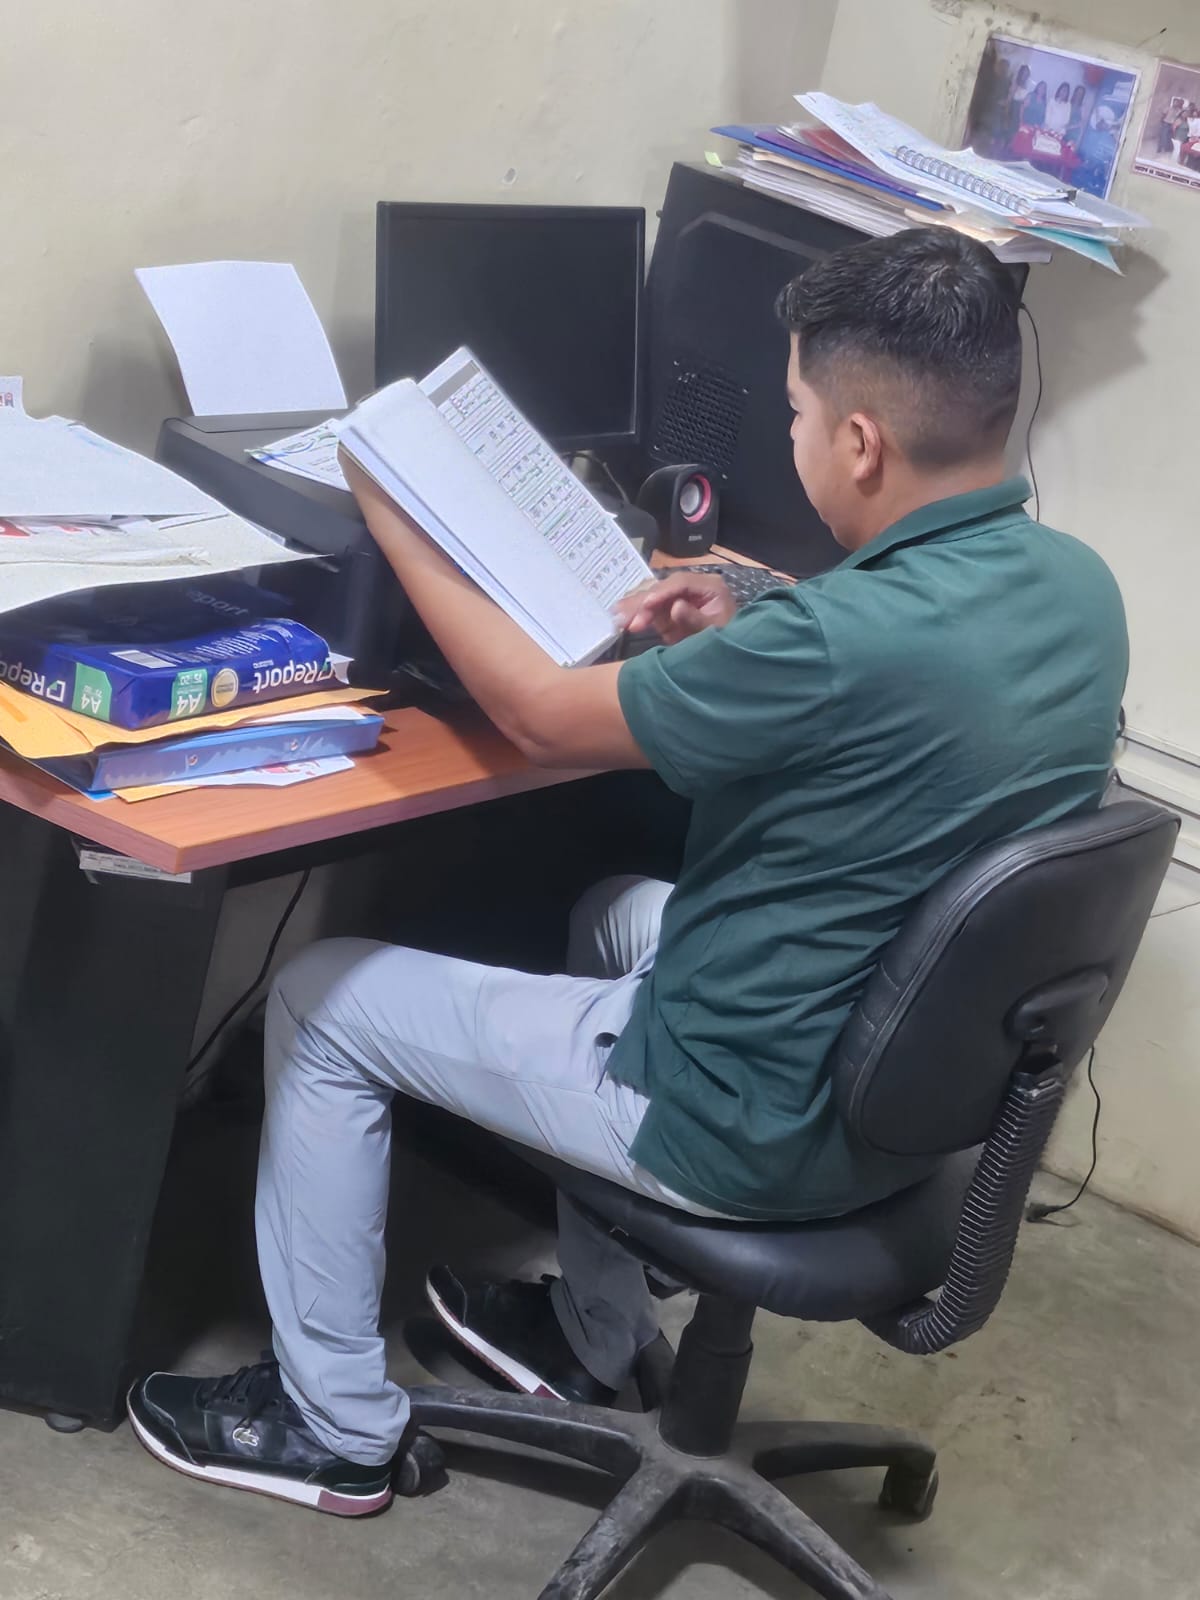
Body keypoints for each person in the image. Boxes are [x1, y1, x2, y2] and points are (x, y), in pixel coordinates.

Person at [127, 229, 1128, 1516]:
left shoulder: (838, 644)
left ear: (862, 443)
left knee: (322, 1002)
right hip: (915, 1086)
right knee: (609, 912)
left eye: (796, 413)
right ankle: (592, 1334)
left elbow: (540, 717)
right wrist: (750, 613)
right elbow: (891, 681)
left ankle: (331, 1426)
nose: (791, 435)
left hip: (743, 1117)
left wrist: (385, 500)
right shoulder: (1075, 589)